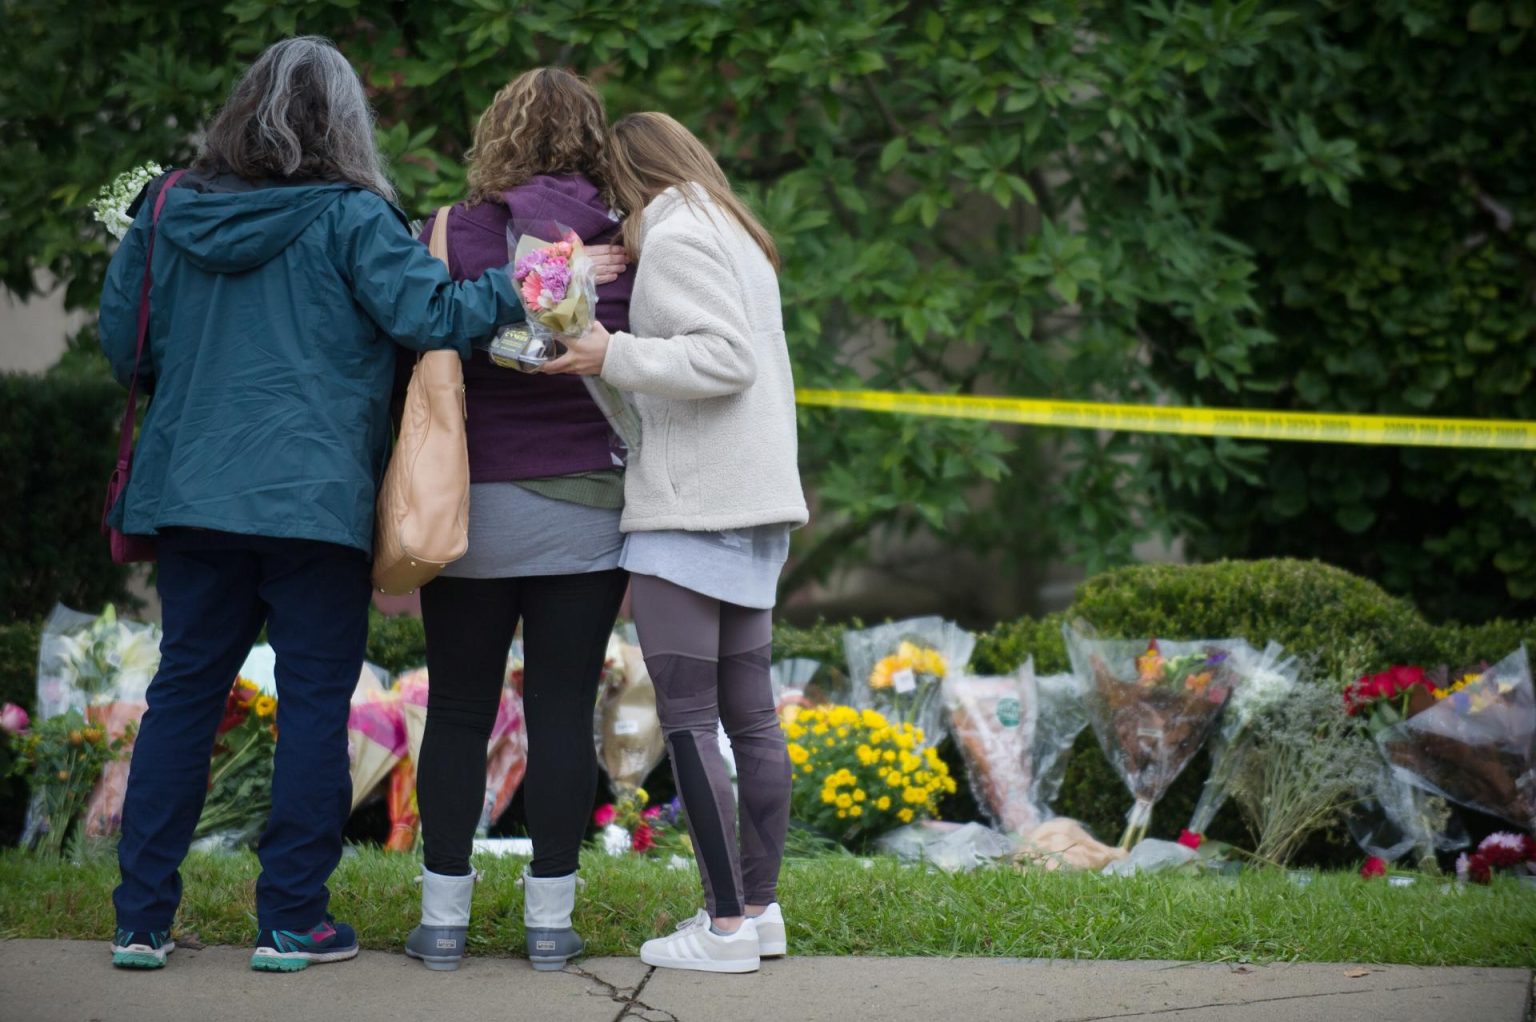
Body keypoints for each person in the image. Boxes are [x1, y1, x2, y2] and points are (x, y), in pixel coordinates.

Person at [98, 36, 526, 974]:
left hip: (192, 496)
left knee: (181, 697)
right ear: (345, 123)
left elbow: (122, 346)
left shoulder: (165, 209)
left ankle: (140, 921)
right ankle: (292, 920)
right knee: (313, 704)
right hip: (314, 504)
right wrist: (524, 285)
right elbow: (438, 317)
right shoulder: (351, 218)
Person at [546, 111, 808, 974]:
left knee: (692, 723)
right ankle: (759, 912)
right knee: (750, 719)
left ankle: (724, 924)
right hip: (750, 499)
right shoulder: (729, 225)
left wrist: (607, 351)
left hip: (696, 508)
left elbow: (721, 360)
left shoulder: (679, 233)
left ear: (628, 174)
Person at [400, 67, 632, 974]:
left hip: (469, 506)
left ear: (496, 134)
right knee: (563, 711)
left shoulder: (448, 232)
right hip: (589, 510)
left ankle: (443, 923)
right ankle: (550, 927)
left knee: (457, 708)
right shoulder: (625, 237)